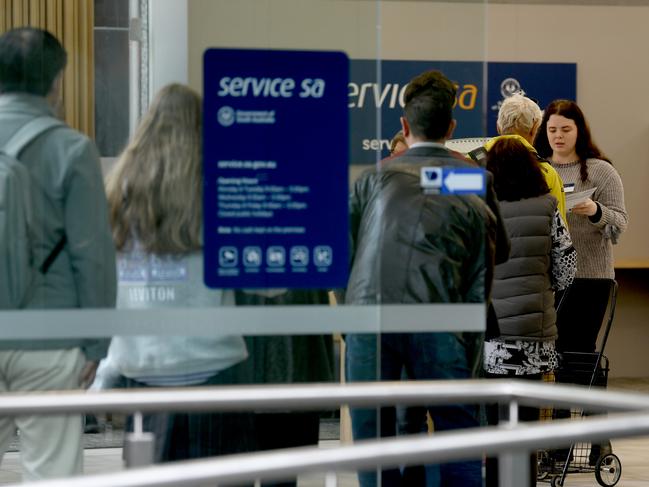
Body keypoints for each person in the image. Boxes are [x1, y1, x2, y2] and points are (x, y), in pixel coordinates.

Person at [343, 69, 496, 487]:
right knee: (457, 436)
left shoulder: (373, 178)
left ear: (404, 127)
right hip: (442, 317)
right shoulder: (471, 178)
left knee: (374, 442)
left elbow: (346, 255)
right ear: (450, 128)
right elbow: (492, 253)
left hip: (370, 318)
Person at [96, 83, 254, 462]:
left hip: (143, 369)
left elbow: (111, 289)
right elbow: (264, 288)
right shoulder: (219, 191)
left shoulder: (118, 194)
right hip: (216, 366)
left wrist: (107, 370)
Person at [0, 28, 116, 480]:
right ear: (57, 81)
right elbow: (93, 256)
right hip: (50, 340)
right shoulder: (71, 148)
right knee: (52, 475)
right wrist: (96, 343)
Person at [534, 99, 628, 463]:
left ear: (579, 131)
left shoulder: (600, 172)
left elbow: (620, 224)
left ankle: (597, 437)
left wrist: (596, 212)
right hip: (551, 278)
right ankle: (559, 440)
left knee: (582, 356)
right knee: (553, 358)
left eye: (565, 129)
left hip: (591, 276)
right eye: (552, 129)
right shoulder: (539, 170)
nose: (557, 136)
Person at [483, 138, 576, 486]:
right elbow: (567, 269)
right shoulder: (548, 207)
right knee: (525, 428)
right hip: (534, 340)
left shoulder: (483, 209)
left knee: (493, 427)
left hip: (491, 340)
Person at [484, 93, 568, 222]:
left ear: (498, 126)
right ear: (535, 128)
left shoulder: (468, 164)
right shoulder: (547, 173)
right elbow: (560, 234)